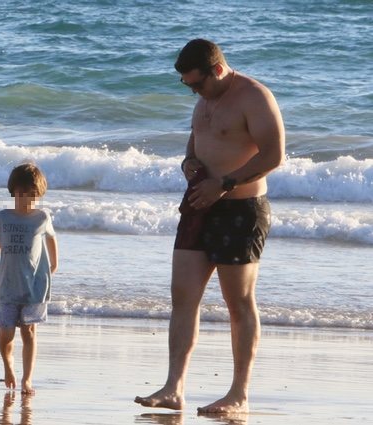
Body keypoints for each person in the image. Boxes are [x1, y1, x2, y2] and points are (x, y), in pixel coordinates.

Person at [134, 39, 285, 414]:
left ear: (217, 70)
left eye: (197, 84)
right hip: (199, 206)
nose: (193, 91)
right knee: (182, 297)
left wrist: (226, 183)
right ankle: (173, 388)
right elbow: (194, 144)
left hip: (241, 209)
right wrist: (189, 165)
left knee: (239, 304)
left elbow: (274, 154)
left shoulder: (254, 96)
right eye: (188, 86)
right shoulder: (204, 98)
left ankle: (238, 394)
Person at [0, 163, 59, 395]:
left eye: (31, 195)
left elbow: (51, 239)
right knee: (5, 334)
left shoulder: (42, 217)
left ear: (38, 195)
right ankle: (9, 369)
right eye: (21, 194)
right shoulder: (3, 218)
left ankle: (27, 379)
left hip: (34, 288)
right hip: (7, 287)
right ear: (13, 192)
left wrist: (54, 263)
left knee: (28, 331)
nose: (25, 199)